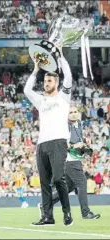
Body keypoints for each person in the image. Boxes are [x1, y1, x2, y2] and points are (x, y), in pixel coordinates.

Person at [24, 45, 73, 226]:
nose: (46, 83)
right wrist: (36, 70)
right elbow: (27, 90)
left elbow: (68, 76)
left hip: (58, 142)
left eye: (50, 81)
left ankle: (67, 213)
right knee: (44, 183)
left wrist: (60, 57)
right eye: (45, 81)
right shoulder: (41, 100)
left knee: (59, 178)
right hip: (42, 144)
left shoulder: (63, 97)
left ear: (57, 84)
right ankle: (47, 216)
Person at [38, 106, 100, 220]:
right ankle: (85, 212)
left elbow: (77, 144)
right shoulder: (66, 126)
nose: (73, 114)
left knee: (68, 187)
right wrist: (76, 145)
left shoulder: (79, 125)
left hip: (74, 159)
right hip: (69, 160)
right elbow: (63, 145)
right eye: (70, 112)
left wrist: (84, 143)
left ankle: (45, 205)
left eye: (75, 111)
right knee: (82, 182)